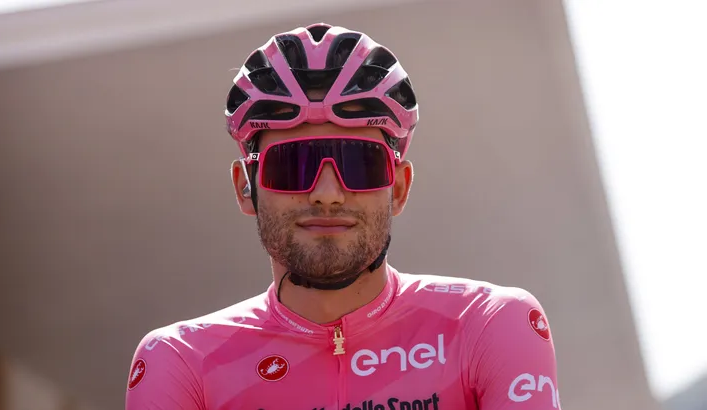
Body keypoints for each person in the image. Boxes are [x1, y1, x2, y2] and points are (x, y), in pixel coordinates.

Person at [125, 23, 561, 410]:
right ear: (246, 188)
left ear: (399, 187)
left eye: (360, 164)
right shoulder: (180, 361)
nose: (327, 195)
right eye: (292, 165)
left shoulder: (488, 324)